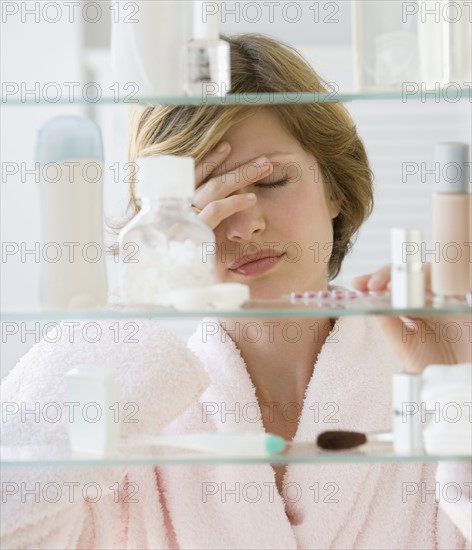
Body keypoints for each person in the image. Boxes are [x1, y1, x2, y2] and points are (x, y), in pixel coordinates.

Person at [2, 34, 470, 549]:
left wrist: (457, 392)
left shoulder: (430, 388)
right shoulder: (136, 417)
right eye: (206, 202)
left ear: (334, 189)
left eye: (271, 182)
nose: (243, 226)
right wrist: (143, 298)